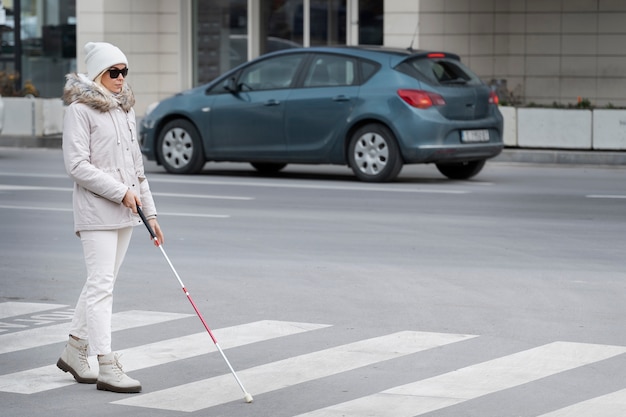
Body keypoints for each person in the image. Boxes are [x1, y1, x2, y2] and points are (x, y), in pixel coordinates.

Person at [56, 42, 164, 394]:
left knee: (100, 282)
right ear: (98, 74)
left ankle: (74, 349)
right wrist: (120, 191)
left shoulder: (125, 110)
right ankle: (106, 363)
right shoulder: (80, 110)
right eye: (113, 72)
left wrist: (151, 213)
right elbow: (77, 166)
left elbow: (137, 169)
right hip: (96, 212)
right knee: (102, 287)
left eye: (124, 72)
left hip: (126, 212)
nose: (120, 79)